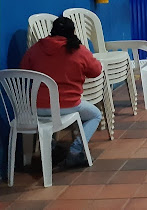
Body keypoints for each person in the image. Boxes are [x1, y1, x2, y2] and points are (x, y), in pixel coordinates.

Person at [20, 17, 103, 167]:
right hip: (68, 105)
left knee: (44, 124)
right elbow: (96, 71)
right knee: (96, 115)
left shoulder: (37, 48)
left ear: (52, 31)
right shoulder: (78, 49)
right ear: (73, 32)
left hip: (37, 107)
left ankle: (52, 147)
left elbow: (24, 70)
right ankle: (75, 151)